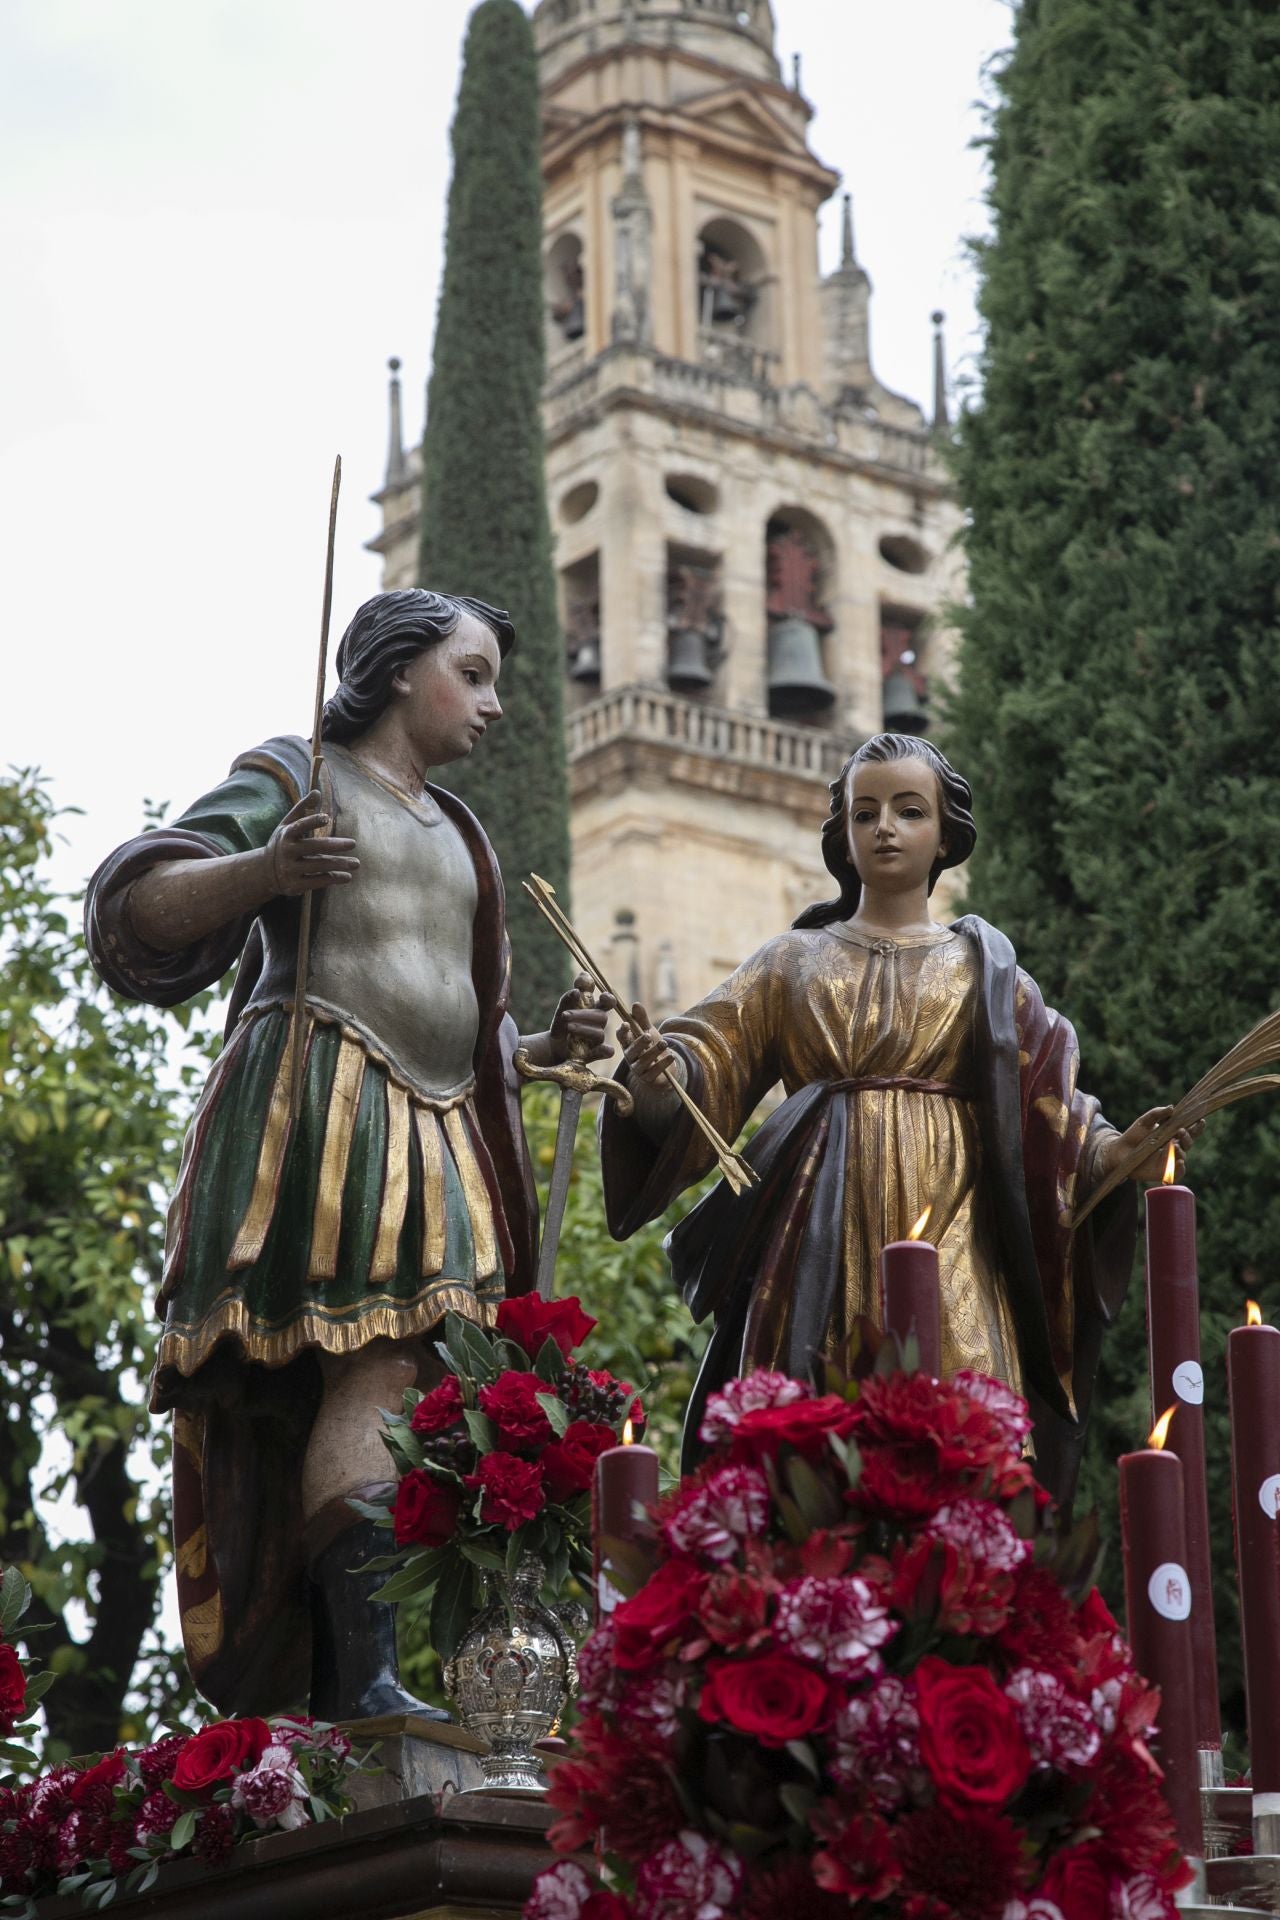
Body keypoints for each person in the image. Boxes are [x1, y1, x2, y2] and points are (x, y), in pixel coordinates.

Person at [86, 588, 609, 1718]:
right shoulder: (297, 775)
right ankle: (363, 1682)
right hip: (319, 1106)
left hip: (440, 1123)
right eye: (470, 674)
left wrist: (532, 1050)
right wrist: (266, 870)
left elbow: (447, 1008)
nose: (495, 705)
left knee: (406, 1388)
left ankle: (358, 1677)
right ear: (392, 668)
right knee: (372, 1378)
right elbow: (143, 906)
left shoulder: (461, 830)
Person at [599, 733, 1194, 1506]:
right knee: (812, 1442)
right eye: (865, 811)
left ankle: (957, 1604)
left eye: (909, 811)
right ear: (842, 836)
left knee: (965, 1433)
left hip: (957, 1233)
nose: (885, 827)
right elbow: (708, 1054)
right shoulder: (793, 961)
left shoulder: (986, 970)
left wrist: (1117, 1154)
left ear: (944, 835)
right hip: (817, 1235)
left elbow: (1053, 1112)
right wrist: (663, 1076)